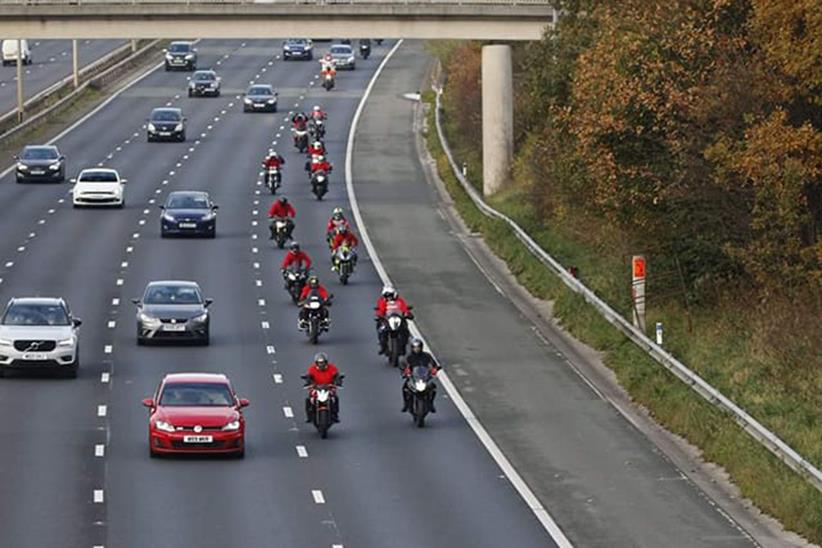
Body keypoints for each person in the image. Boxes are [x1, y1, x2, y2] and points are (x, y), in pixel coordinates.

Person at [401, 339, 440, 413]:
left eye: (418, 347)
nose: (416, 349)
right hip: (413, 377)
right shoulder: (409, 357)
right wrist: (405, 372)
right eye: (415, 347)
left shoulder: (427, 356)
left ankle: (431, 403)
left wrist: (434, 370)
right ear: (412, 348)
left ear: (421, 347)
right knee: (405, 388)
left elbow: (434, 364)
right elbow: (403, 364)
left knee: (433, 387)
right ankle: (406, 404)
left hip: (424, 377)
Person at [303, 352, 342, 423]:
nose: (321, 365)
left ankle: (335, 415)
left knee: (335, 398)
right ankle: (309, 416)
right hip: (316, 388)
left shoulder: (332, 368)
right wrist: (309, 382)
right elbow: (309, 377)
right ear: (316, 363)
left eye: (323, 363)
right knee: (308, 399)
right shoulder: (312, 369)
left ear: (326, 362)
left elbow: (336, 376)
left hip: (328, 387)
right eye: (319, 363)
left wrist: (338, 382)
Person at [374, 286, 412, 355]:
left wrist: (407, 314)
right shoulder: (382, 301)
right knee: (381, 331)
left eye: (390, 295)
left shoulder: (399, 301)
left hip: (398, 319)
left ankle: (403, 347)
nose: (389, 297)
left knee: (405, 331)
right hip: (387, 320)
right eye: (387, 296)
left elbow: (404, 309)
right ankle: (383, 347)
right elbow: (380, 310)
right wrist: (379, 316)